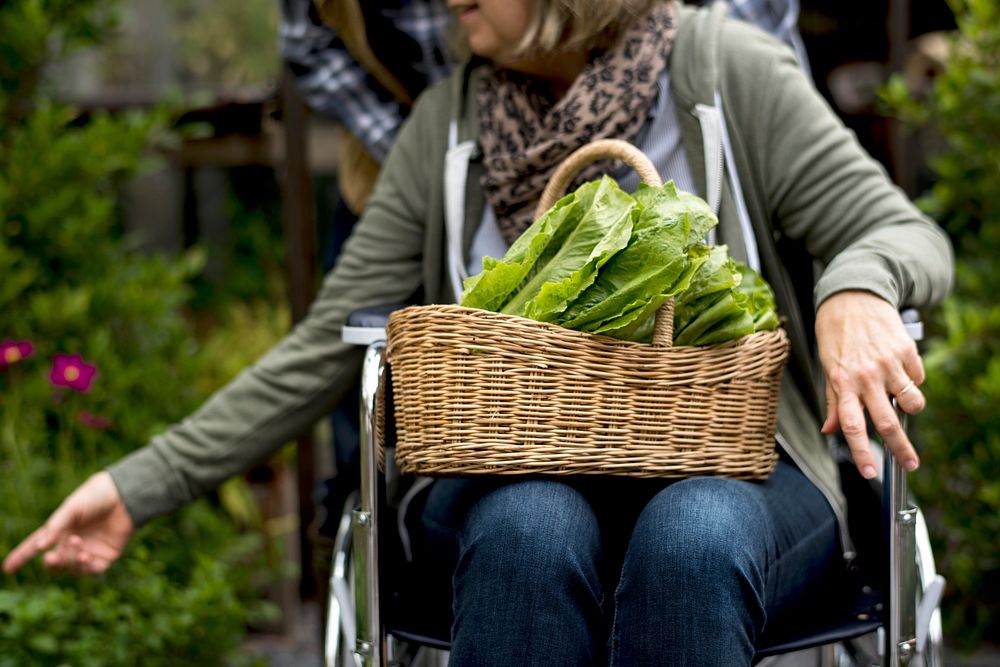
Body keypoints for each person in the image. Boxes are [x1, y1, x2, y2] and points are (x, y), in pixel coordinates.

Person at [5, 0, 953, 664]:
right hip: (502, 470)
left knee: (693, 539)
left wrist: (857, 290)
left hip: (741, 464)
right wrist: (141, 484)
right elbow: (328, 341)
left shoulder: (723, 71)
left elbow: (901, 230)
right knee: (529, 530)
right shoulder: (445, 122)